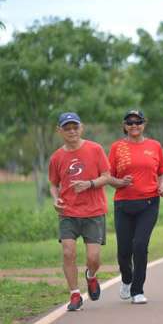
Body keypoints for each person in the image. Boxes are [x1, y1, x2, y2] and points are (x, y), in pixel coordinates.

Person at [48, 112, 111, 312]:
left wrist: (89, 184)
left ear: (81, 128)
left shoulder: (95, 149)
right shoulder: (57, 156)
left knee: (94, 258)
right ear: (60, 131)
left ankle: (91, 276)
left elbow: (107, 176)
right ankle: (75, 294)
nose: (72, 131)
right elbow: (53, 184)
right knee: (68, 252)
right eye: (67, 128)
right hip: (68, 212)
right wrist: (55, 199)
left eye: (75, 127)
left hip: (93, 212)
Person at [108, 110, 163, 304]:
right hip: (123, 203)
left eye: (138, 122)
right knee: (124, 251)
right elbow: (109, 176)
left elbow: (161, 172)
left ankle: (137, 290)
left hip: (149, 203)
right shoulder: (117, 147)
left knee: (140, 245)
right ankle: (126, 279)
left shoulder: (155, 146)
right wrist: (120, 182)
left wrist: (161, 186)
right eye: (130, 123)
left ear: (144, 123)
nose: (134, 126)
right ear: (124, 125)